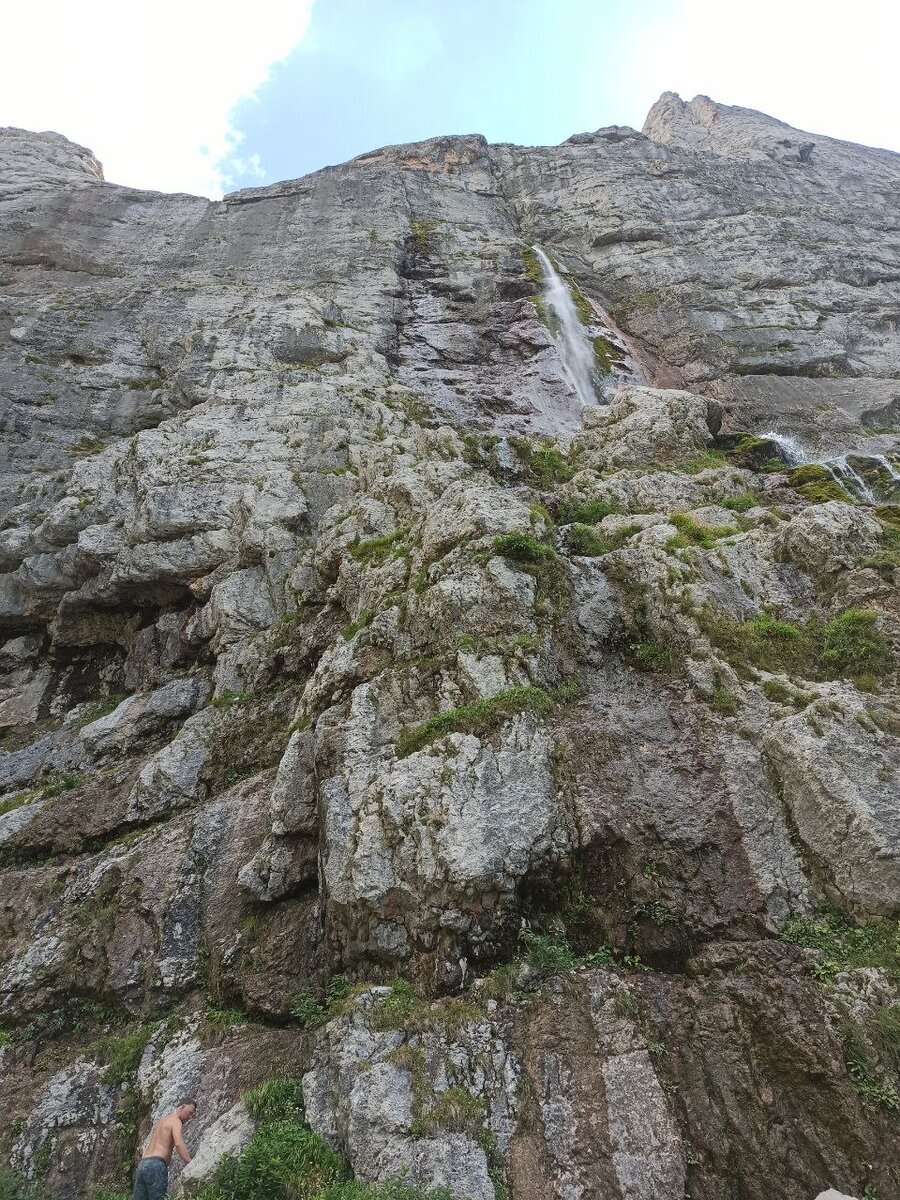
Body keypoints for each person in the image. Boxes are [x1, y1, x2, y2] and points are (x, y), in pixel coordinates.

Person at [132, 1098, 196, 1200]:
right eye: (190, 1112)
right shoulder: (176, 1121)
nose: (190, 1117)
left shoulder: (163, 1120)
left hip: (143, 1165)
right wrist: (191, 1162)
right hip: (156, 1166)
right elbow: (179, 1144)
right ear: (182, 1106)